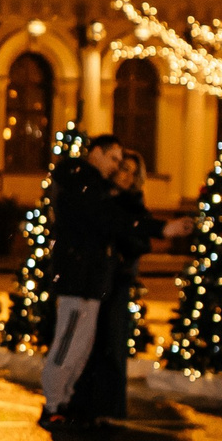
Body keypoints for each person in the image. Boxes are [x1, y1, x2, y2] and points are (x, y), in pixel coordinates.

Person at [72, 148, 191, 424]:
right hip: (92, 280)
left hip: (117, 280)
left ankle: (111, 408)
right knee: (87, 343)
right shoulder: (96, 194)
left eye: (133, 173)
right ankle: (84, 402)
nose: (127, 175)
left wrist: (123, 247)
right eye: (124, 168)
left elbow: (142, 237)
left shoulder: (132, 203)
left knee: (112, 344)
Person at [39, 133, 130, 429]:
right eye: (113, 159)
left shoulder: (95, 186)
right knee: (68, 343)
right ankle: (53, 404)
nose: (117, 166)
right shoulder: (81, 183)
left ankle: (63, 401)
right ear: (97, 153)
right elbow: (100, 220)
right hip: (77, 280)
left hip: (89, 281)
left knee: (81, 345)